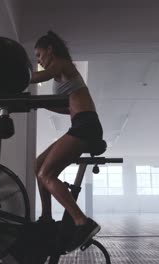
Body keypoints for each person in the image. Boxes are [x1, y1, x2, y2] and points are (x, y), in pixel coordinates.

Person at [30, 30, 103, 252]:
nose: (39, 60)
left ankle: (83, 222)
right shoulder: (59, 74)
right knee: (38, 165)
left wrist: (16, 77)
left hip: (86, 126)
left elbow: (39, 76)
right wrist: (39, 103)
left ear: (50, 50)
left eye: (39, 55)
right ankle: (46, 217)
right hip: (79, 123)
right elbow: (67, 107)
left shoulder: (62, 64)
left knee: (47, 174)